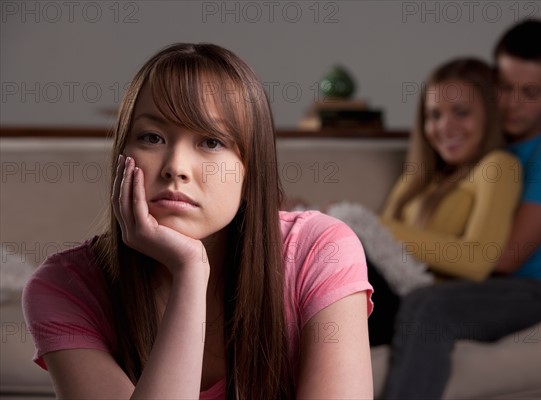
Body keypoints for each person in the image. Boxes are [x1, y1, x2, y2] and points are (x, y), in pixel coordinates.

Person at [22, 43, 374, 400]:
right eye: (152, 137)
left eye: (210, 141)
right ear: (122, 155)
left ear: (250, 171)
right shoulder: (63, 288)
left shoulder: (321, 250)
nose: (176, 166)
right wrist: (189, 270)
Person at [383, 19, 541, 400]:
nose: (511, 104)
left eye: (530, 92)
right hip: (494, 286)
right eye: (504, 88)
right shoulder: (492, 145)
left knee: (431, 306)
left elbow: (502, 259)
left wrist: (375, 228)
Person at [366, 58, 522, 346]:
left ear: (490, 115)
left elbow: (478, 261)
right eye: (434, 115)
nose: (445, 127)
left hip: (420, 303)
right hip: (381, 289)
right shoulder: (418, 178)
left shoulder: (497, 166)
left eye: (461, 113)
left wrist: (362, 223)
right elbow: (379, 249)